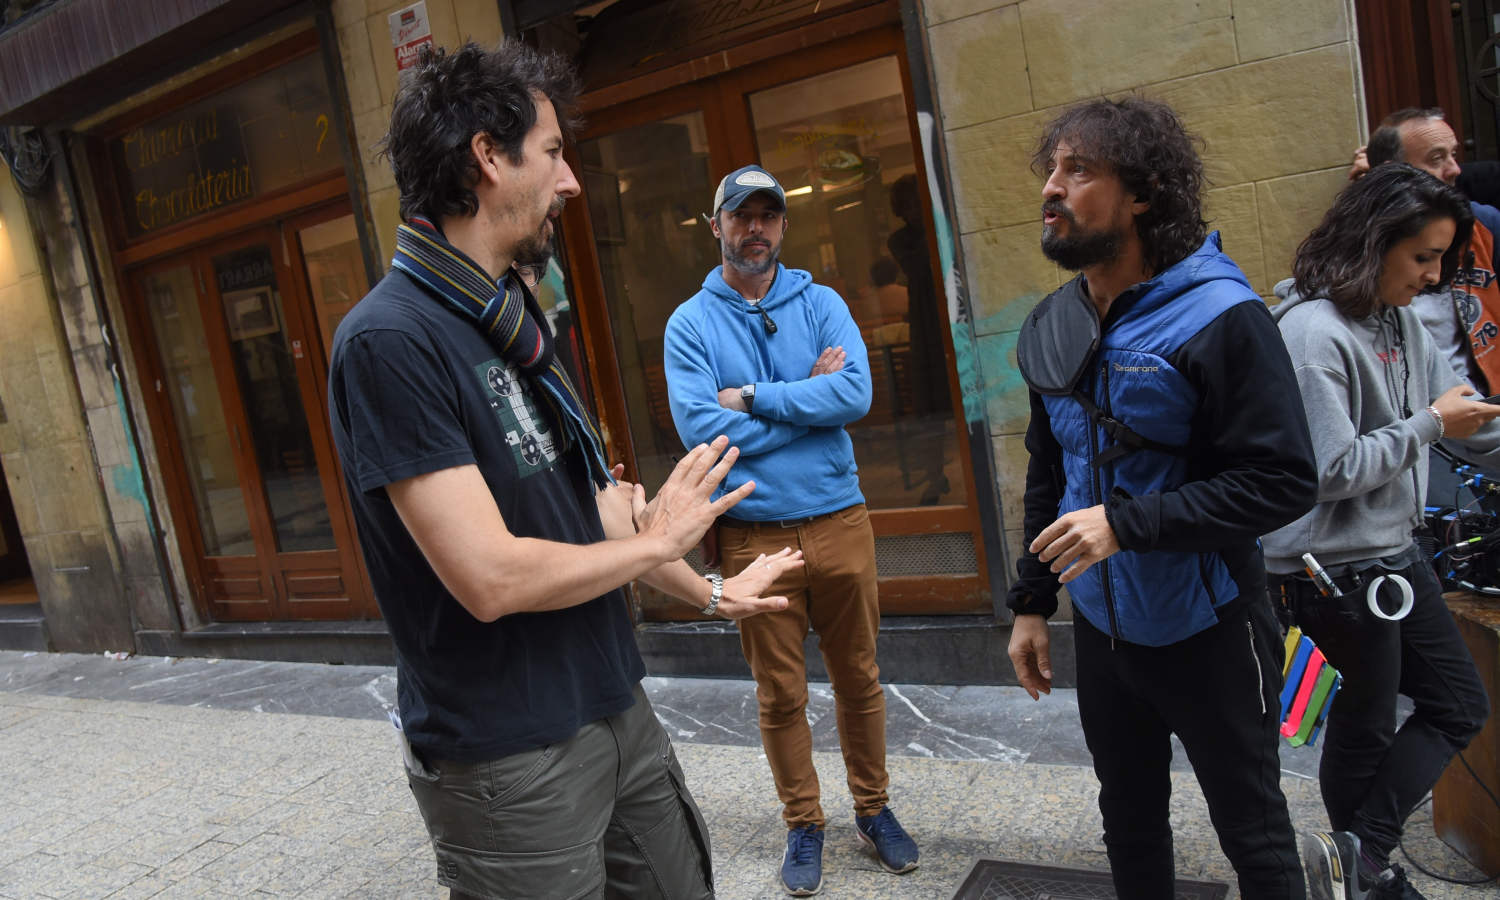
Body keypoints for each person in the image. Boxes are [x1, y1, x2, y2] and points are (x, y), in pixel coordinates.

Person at [326, 42, 803, 899]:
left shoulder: (513, 312)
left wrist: (714, 592)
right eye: (551, 153)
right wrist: (661, 537)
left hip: (614, 702)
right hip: (510, 760)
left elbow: (591, 509)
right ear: (486, 157)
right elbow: (488, 577)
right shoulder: (390, 340)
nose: (572, 180)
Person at [1006, 97, 1316, 899]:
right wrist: (1033, 603)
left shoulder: (1223, 316)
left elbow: (1281, 480)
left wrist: (1127, 523)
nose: (1052, 187)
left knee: (1254, 833)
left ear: (1141, 194)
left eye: (1078, 170)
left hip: (1208, 626)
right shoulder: (1053, 322)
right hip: (1103, 632)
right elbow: (1052, 470)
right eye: (1051, 168)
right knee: (1129, 818)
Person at [663, 164, 918, 897]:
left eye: (768, 215)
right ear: (716, 227)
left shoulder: (824, 302)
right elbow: (703, 432)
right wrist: (808, 397)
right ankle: (804, 823)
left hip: (841, 520)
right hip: (753, 536)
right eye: (740, 216)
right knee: (779, 694)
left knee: (859, 680)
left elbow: (856, 393)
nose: (756, 229)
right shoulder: (691, 324)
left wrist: (753, 398)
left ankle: (874, 810)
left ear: (783, 225)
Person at [1263, 163, 1496, 900]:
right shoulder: (1310, 333)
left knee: (1458, 705)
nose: (1432, 278)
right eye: (1422, 257)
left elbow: (1454, 420)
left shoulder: (1395, 319)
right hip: (1329, 572)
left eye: (1441, 260)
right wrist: (1432, 424)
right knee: (1362, 728)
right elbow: (1329, 469)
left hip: (1394, 555)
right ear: (1373, 242)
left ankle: (1358, 860)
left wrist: (1447, 423)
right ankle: (1370, 873)